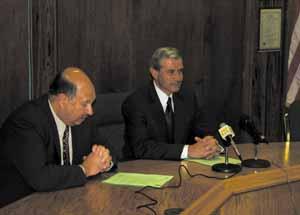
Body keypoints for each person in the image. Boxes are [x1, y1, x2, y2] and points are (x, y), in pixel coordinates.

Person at [0, 67, 115, 207]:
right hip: (22, 205)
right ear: (62, 100)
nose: (90, 111)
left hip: (69, 202)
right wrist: (84, 169)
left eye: (92, 103)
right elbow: (40, 178)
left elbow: (112, 152)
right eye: (85, 104)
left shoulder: (83, 120)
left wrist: (104, 160)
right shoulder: (26, 122)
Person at [122, 47, 221, 160]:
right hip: (144, 169)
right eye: (171, 72)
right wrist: (188, 151)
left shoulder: (187, 96)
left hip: (181, 169)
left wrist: (209, 143)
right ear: (154, 73)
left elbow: (202, 130)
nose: (178, 78)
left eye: (180, 71)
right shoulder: (136, 102)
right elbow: (141, 148)